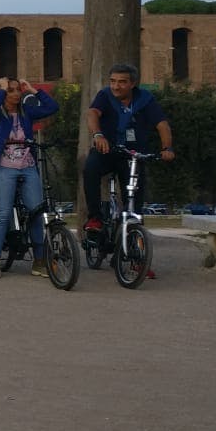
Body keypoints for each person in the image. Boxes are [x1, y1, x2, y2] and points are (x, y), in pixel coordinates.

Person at [82, 62, 175, 278]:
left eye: (122, 82)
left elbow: (162, 124)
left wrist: (167, 148)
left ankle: (136, 259)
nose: (116, 86)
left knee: (135, 206)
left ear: (133, 84)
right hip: (107, 150)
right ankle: (95, 217)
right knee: (90, 169)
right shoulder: (105, 96)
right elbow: (93, 113)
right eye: (113, 81)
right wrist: (98, 135)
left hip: (133, 156)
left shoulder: (145, 100)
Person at [0, 77, 60, 279]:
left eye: (18, 90)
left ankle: (39, 261)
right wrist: (0, 90)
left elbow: (52, 107)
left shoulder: (27, 112)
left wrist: (34, 91)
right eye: (11, 90)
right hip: (3, 168)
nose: (16, 94)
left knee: (36, 213)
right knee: (3, 213)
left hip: (27, 167)